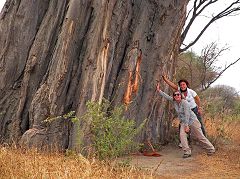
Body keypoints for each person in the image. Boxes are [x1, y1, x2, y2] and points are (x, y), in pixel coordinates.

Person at [156, 83, 215, 158]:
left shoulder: (185, 103)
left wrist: (187, 126)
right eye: (175, 95)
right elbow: (167, 97)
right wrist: (159, 90)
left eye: (178, 95)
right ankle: (187, 151)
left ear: (181, 96)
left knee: (199, 136)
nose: (177, 96)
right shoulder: (174, 101)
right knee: (182, 135)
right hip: (184, 122)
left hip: (192, 120)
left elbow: (187, 114)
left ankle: (211, 149)